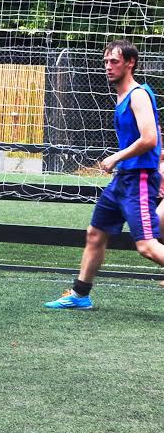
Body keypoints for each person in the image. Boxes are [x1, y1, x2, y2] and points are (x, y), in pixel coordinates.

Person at [46, 40, 164, 309]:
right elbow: (157, 139)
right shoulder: (123, 97)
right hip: (122, 180)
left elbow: (149, 138)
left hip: (139, 180)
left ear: (130, 63)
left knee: (146, 246)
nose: (108, 67)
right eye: (105, 62)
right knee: (95, 234)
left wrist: (115, 157)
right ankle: (80, 295)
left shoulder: (138, 95)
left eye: (114, 61)